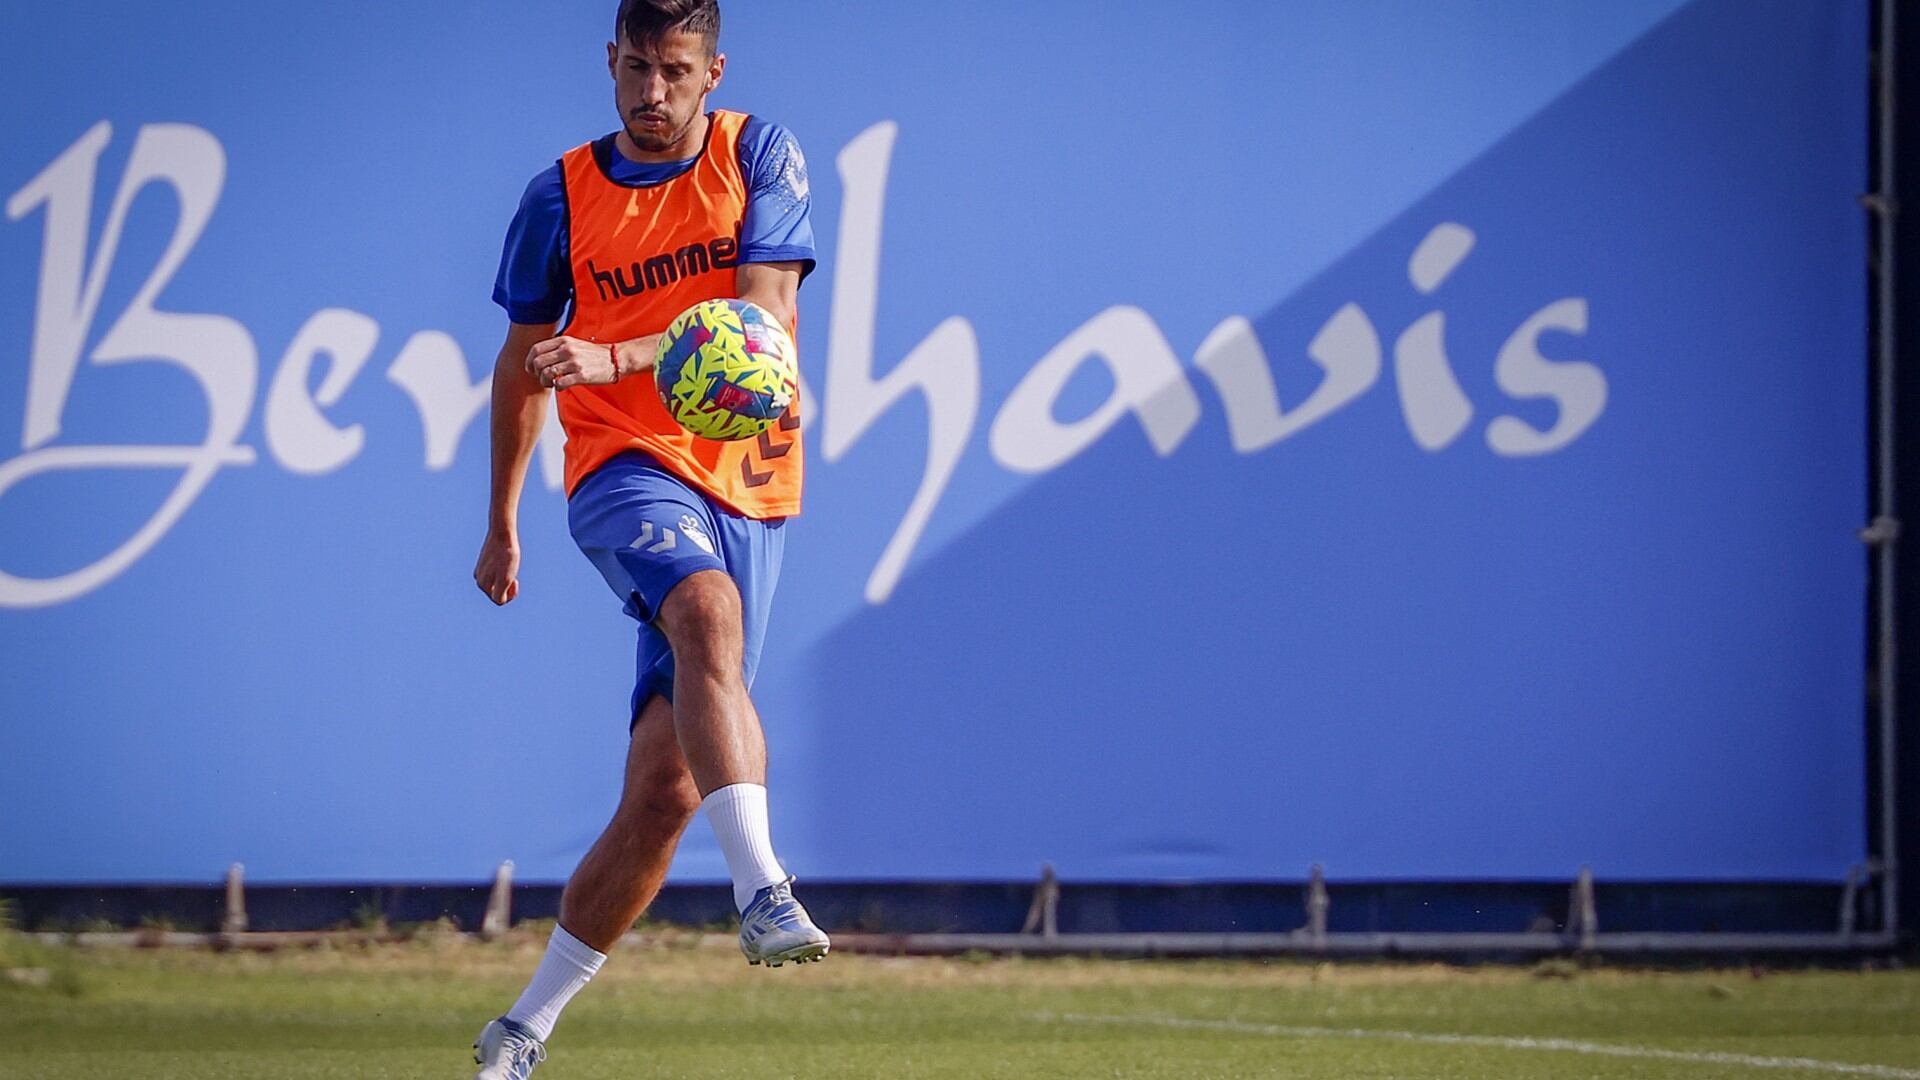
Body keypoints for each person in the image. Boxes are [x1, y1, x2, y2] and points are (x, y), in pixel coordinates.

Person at [469, 1, 823, 1075]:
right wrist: (501, 519)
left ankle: (521, 1027)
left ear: (712, 68)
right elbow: (525, 365)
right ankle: (764, 889)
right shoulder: (558, 197)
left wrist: (617, 355)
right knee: (703, 609)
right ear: (610, 63)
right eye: (635, 69)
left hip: (747, 481)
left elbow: (758, 321)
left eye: (675, 70)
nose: (652, 94)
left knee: (667, 793)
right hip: (624, 469)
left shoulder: (760, 152)